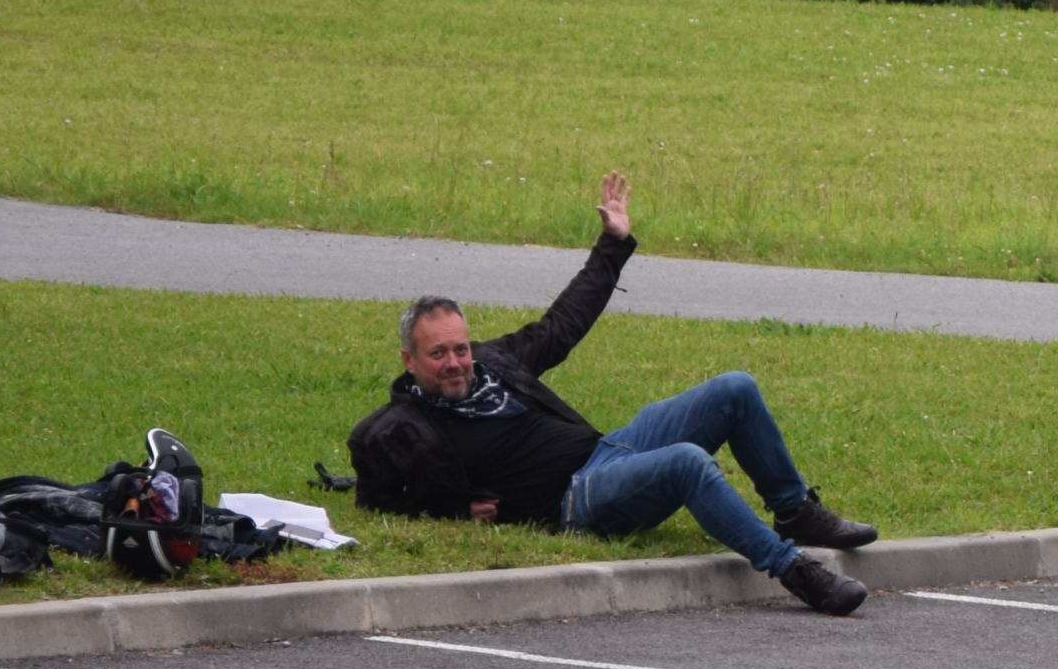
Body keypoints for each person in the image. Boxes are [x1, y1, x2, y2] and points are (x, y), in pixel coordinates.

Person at [346, 172, 879, 616]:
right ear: (409, 361)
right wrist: (458, 509)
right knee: (688, 463)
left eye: (459, 348)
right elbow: (376, 485)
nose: (455, 363)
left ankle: (795, 512)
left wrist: (614, 244)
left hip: (610, 451)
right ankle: (793, 569)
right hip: (577, 500)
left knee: (735, 388)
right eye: (438, 354)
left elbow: (562, 325)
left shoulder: (493, 363)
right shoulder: (407, 426)